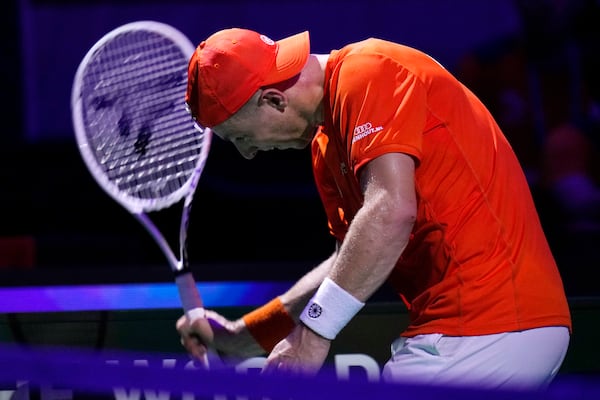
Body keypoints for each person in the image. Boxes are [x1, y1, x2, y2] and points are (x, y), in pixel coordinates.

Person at [177, 28, 572, 391]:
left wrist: (312, 336)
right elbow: (350, 262)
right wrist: (244, 337)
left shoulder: (368, 72)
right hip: (479, 333)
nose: (247, 154)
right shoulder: (325, 145)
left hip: (488, 327)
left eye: (242, 137)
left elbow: (392, 213)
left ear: (274, 99)